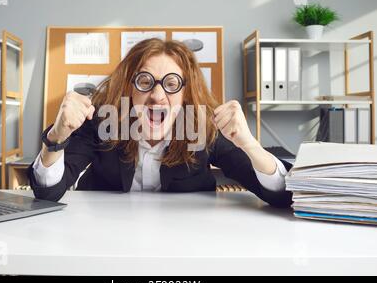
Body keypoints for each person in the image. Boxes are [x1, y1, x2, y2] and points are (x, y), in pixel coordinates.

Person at [27, 38, 292, 207]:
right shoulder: (101, 122)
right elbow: (48, 192)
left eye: (171, 84)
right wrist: (57, 136)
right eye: (145, 82)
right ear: (129, 88)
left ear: (185, 93)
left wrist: (249, 144)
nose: (157, 96)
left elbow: (281, 194)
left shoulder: (204, 126)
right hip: (105, 244)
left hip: (181, 246)